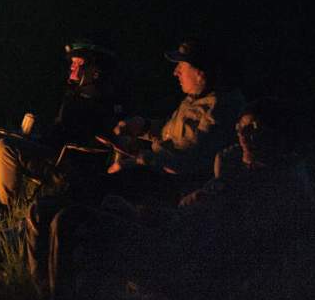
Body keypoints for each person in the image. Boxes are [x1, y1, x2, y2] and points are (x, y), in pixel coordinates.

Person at [0, 99, 313, 300]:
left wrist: (148, 213)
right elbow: (191, 210)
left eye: (255, 130)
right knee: (47, 208)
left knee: (72, 219)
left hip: (178, 257)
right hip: (166, 228)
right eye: (241, 129)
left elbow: (214, 233)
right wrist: (142, 212)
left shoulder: (276, 184)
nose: (245, 137)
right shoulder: (237, 169)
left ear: (281, 138)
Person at [0, 38, 123, 230]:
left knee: (6, 147)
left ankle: (5, 218)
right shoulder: (72, 95)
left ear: (95, 72)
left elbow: (80, 139)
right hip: (51, 150)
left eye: (78, 64)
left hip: (65, 163)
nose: (72, 68)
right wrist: (32, 136)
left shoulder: (103, 103)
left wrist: (40, 139)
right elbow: (58, 131)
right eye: (72, 63)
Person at [100, 38, 245, 201]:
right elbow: (173, 135)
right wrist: (144, 127)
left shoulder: (219, 109)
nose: (175, 72)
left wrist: (138, 161)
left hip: (181, 197)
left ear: (200, 73)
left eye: (181, 66)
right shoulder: (195, 98)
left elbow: (185, 163)